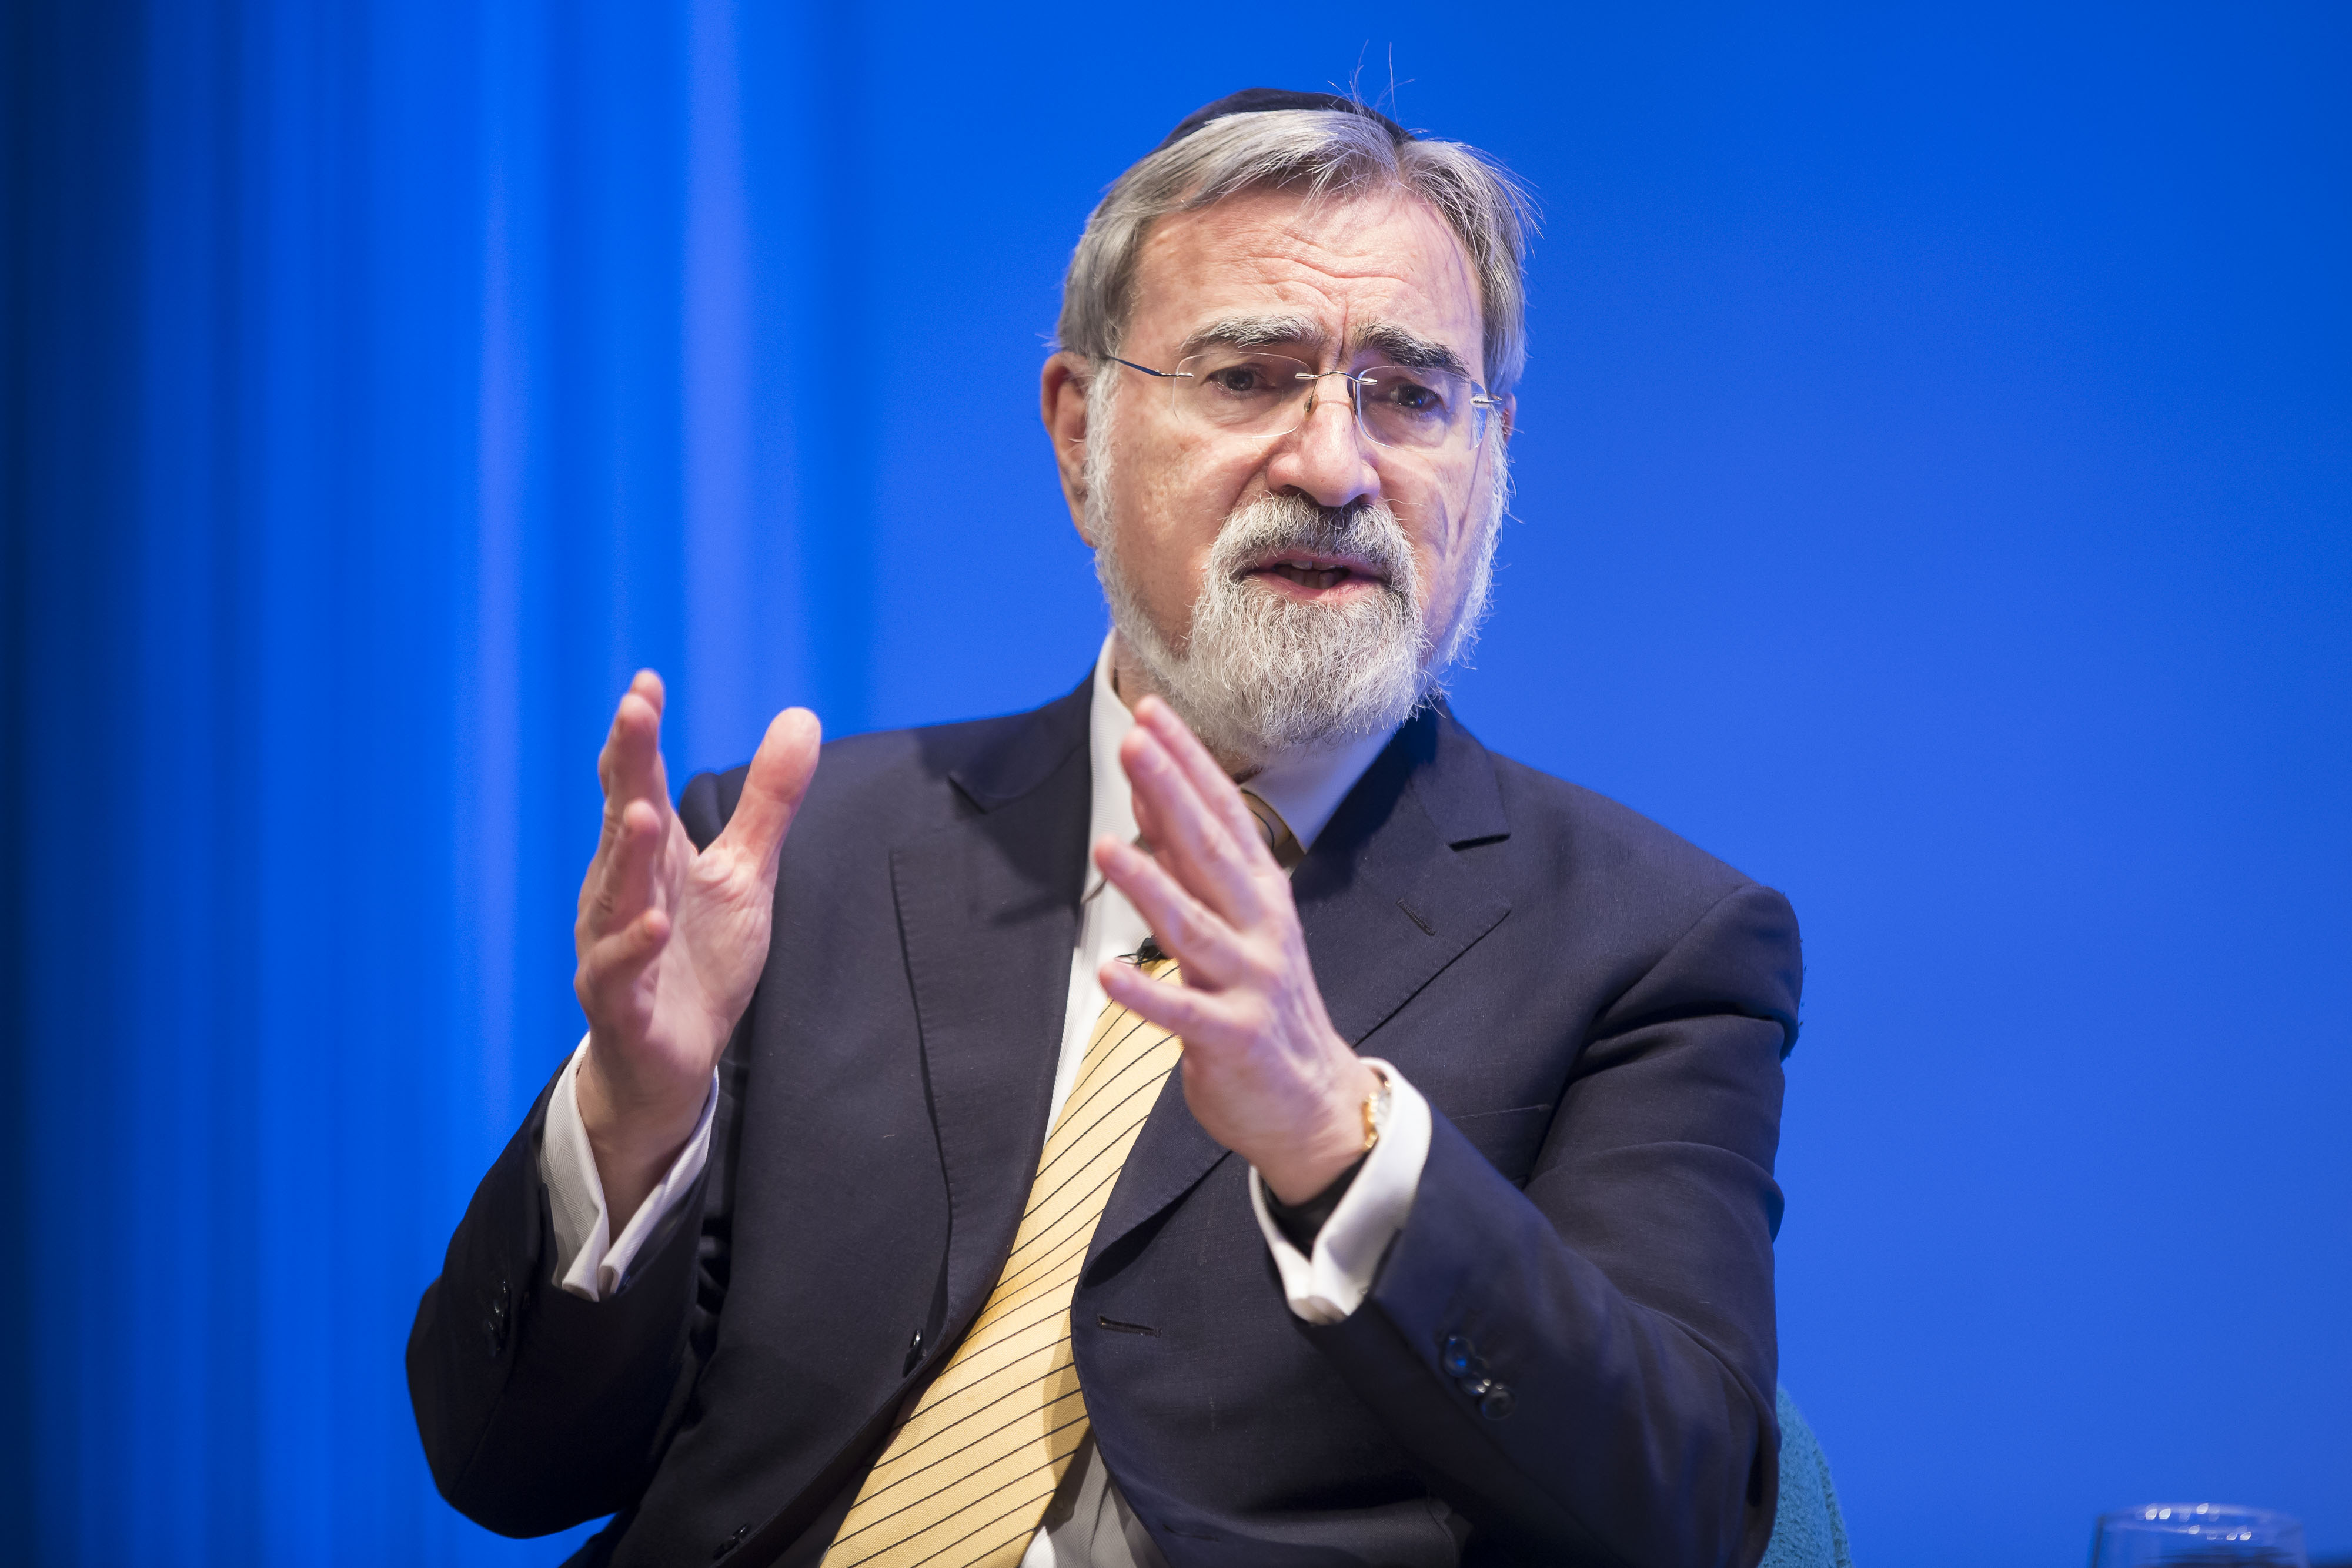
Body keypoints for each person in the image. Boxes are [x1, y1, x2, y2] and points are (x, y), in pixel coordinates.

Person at [408, 89, 1803, 1568]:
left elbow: (1686, 1506)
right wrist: (628, 1129)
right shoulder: (801, 862)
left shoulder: (1650, 944)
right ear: (1081, 431)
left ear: (1491, 452)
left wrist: (1337, 1136)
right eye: (1253, 376)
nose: (1334, 467)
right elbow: (505, 1467)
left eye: (1407, 395)